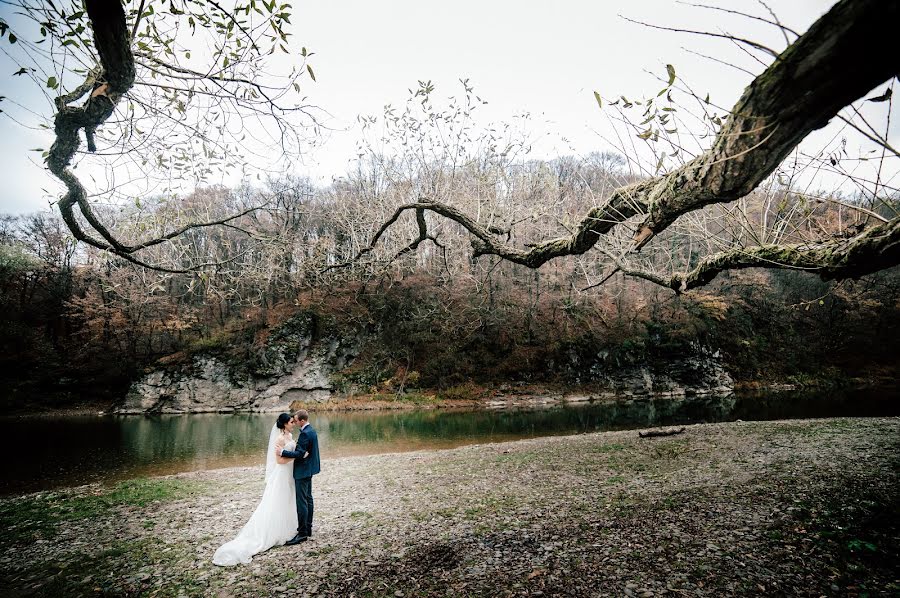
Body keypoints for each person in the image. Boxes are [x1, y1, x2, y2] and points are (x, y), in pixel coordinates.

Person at [212, 413, 299, 566]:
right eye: (291, 422)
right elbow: (279, 461)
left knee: (289, 499)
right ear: (285, 423)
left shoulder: (290, 435)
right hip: (282, 473)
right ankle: (273, 532)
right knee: (278, 500)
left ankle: (290, 527)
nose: (293, 423)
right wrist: (296, 456)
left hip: (290, 472)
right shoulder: (279, 439)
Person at [277, 409, 320, 545]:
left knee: (302, 502)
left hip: (303, 471)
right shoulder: (311, 430)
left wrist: (283, 451)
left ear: (302, 420)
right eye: (292, 421)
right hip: (309, 469)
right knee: (308, 499)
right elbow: (303, 452)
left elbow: (300, 453)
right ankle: (307, 528)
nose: (294, 422)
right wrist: (302, 454)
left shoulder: (305, 434)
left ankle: (302, 534)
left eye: (295, 420)